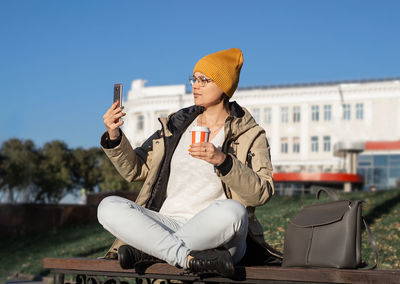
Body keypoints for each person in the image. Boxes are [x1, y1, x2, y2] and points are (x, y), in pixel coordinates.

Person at [97, 48, 281, 277]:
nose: (195, 85)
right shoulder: (176, 126)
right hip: (167, 223)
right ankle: (186, 258)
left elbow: (261, 193)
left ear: (224, 86)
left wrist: (224, 161)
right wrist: (114, 136)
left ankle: (153, 252)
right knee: (108, 206)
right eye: (194, 78)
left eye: (204, 79)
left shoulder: (250, 134)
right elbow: (137, 169)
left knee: (234, 211)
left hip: (218, 234)